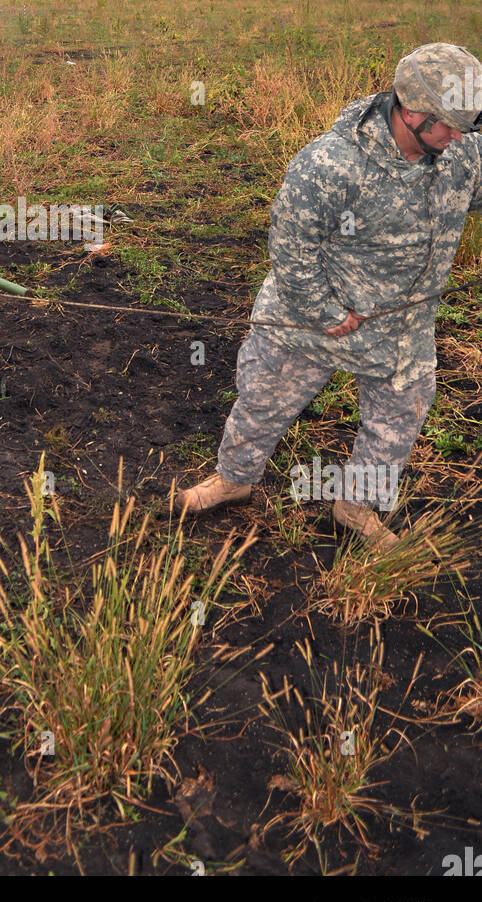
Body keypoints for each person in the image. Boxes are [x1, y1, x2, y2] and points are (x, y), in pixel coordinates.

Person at [178, 42, 482, 550]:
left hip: (402, 333)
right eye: (449, 124)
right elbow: (291, 249)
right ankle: (234, 480)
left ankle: (355, 505)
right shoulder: (329, 163)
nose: (458, 137)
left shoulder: (460, 152)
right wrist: (326, 313)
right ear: (411, 112)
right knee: (261, 402)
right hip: (312, 321)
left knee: (395, 426)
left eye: (465, 124)